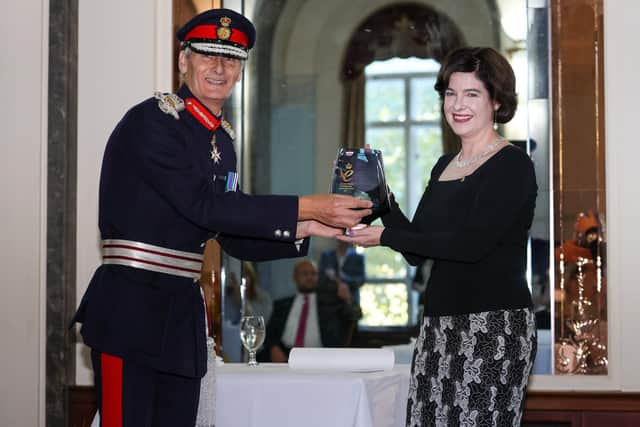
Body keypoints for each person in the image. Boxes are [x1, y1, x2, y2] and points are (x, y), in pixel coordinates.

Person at [71, 8, 372, 427]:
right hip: (133, 310)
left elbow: (227, 230)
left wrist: (306, 227)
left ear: (240, 71)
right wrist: (305, 204)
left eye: (231, 59)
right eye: (208, 55)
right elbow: (203, 206)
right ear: (183, 61)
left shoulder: (222, 140)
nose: (219, 67)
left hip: (182, 318)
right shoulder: (154, 122)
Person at [339, 47, 538, 426]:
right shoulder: (445, 164)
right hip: (437, 327)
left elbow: (469, 246)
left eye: (472, 94)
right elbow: (417, 245)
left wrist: (382, 238)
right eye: (450, 93)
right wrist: (380, 192)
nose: (457, 105)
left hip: (493, 327)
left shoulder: (512, 164)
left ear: (497, 101)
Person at [261, 260, 357, 362]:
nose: (309, 277)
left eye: (313, 273)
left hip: (321, 356)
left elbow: (354, 316)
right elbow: (269, 332)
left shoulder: (331, 303)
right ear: (295, 277)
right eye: (305, 273)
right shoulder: (281, 305)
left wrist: (348, 300)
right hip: (286, 354)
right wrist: (274, 347)